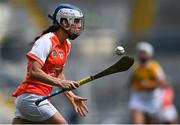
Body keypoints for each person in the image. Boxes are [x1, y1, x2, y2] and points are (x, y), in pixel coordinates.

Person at [12, 3, 88, 124]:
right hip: (32, 97)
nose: (79, 26)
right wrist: (60, 82)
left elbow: (58, 74)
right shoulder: (46, 41)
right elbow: (34, 71)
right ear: (64, 22)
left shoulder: (66, 44)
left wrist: (71, 96)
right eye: (76, 21)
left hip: (37, 98)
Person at [128, 41, 166, 124]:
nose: (141, 54)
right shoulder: (135, 68)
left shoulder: (154, 67)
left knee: (150, 122)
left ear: (149, 54)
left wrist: (149, 84)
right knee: (136, 119)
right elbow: (131, 82)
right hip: (139, 96)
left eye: (143, 52)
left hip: (152, 97)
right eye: (139, 52)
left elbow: (162, 83)